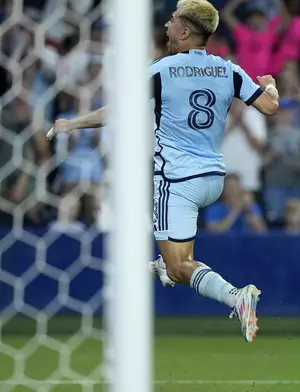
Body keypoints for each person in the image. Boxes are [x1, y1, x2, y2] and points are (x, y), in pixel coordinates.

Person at [47, 0, 280, 343]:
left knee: (179, 267)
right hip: (214, 178)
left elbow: (120, 110)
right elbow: (270, 106)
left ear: (185, 31)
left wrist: (72, 123)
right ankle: (164, 263)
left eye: (171, 22)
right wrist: (271, 84)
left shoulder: (161, 70)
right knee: (171, 259)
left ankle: (235, 297)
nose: (167, 27)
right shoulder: (228, 69)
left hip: (176, 180)